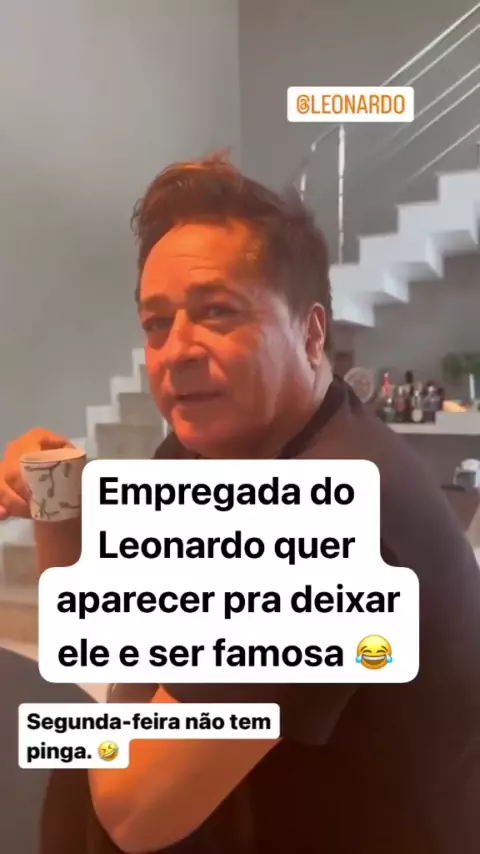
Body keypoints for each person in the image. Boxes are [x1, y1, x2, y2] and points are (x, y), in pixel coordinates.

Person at [1, 153, 480, 854]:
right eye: (156, 324)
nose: (176, 351)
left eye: (217, 312)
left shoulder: (324, 520)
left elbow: (135, 812)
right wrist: (57, 497)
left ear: (311, 333)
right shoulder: (211, 444)